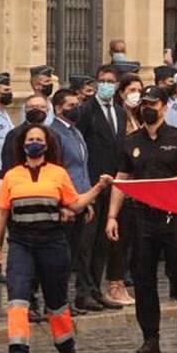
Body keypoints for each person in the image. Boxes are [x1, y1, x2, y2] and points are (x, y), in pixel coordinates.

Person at [0, 125, 112, 353]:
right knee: (17, 297)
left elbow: (75, 204)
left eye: (39, 139)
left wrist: (98, 189)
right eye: (30, 139)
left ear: (47, 145)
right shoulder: (12, 175)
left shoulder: (59, 173)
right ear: (22, 144)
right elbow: (2, 211)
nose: (34, 143)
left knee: (56, 299)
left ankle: (66, 346)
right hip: (21, 242)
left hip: (52, 241)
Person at [106, 85, 177, 353]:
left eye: (154, 104)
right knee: (143, 277)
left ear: (165, 106)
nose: (149, 108)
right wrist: (112, 216)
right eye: (145, 104)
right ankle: (150, 336)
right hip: (142, 218)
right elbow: (121, 179)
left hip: (173, 217)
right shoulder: (131, 141)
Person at [77, 63, 131, 308]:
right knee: (87, 240)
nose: (106, 85)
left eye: (110, 81)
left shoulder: (120, 113)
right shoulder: (86, 111)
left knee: (103, 241)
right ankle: (83, 290)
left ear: (117, 85)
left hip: (114, 182)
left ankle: (96, 288)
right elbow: (81, 146)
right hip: (92, 182)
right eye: (102, 81)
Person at [50, 88, 106, 312]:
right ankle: (59, 301)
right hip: (66, 202)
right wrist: (64, 203)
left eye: (77, 105)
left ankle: (75, 297)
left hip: (81, 199)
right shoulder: (54, 134)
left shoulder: (75, 132)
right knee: (63, 257)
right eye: (70, 106)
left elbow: (81, 169)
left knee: (78, 253)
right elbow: (58, 170)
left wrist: (87, 201)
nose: (76, 109)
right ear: (58, 108)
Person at [0, 94, 51, 171]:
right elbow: (8, 164)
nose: (37, 110)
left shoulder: (53, 134)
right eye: (32, 107)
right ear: (25, 110)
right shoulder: (14, 135)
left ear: (47, 110)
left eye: (42, 107)